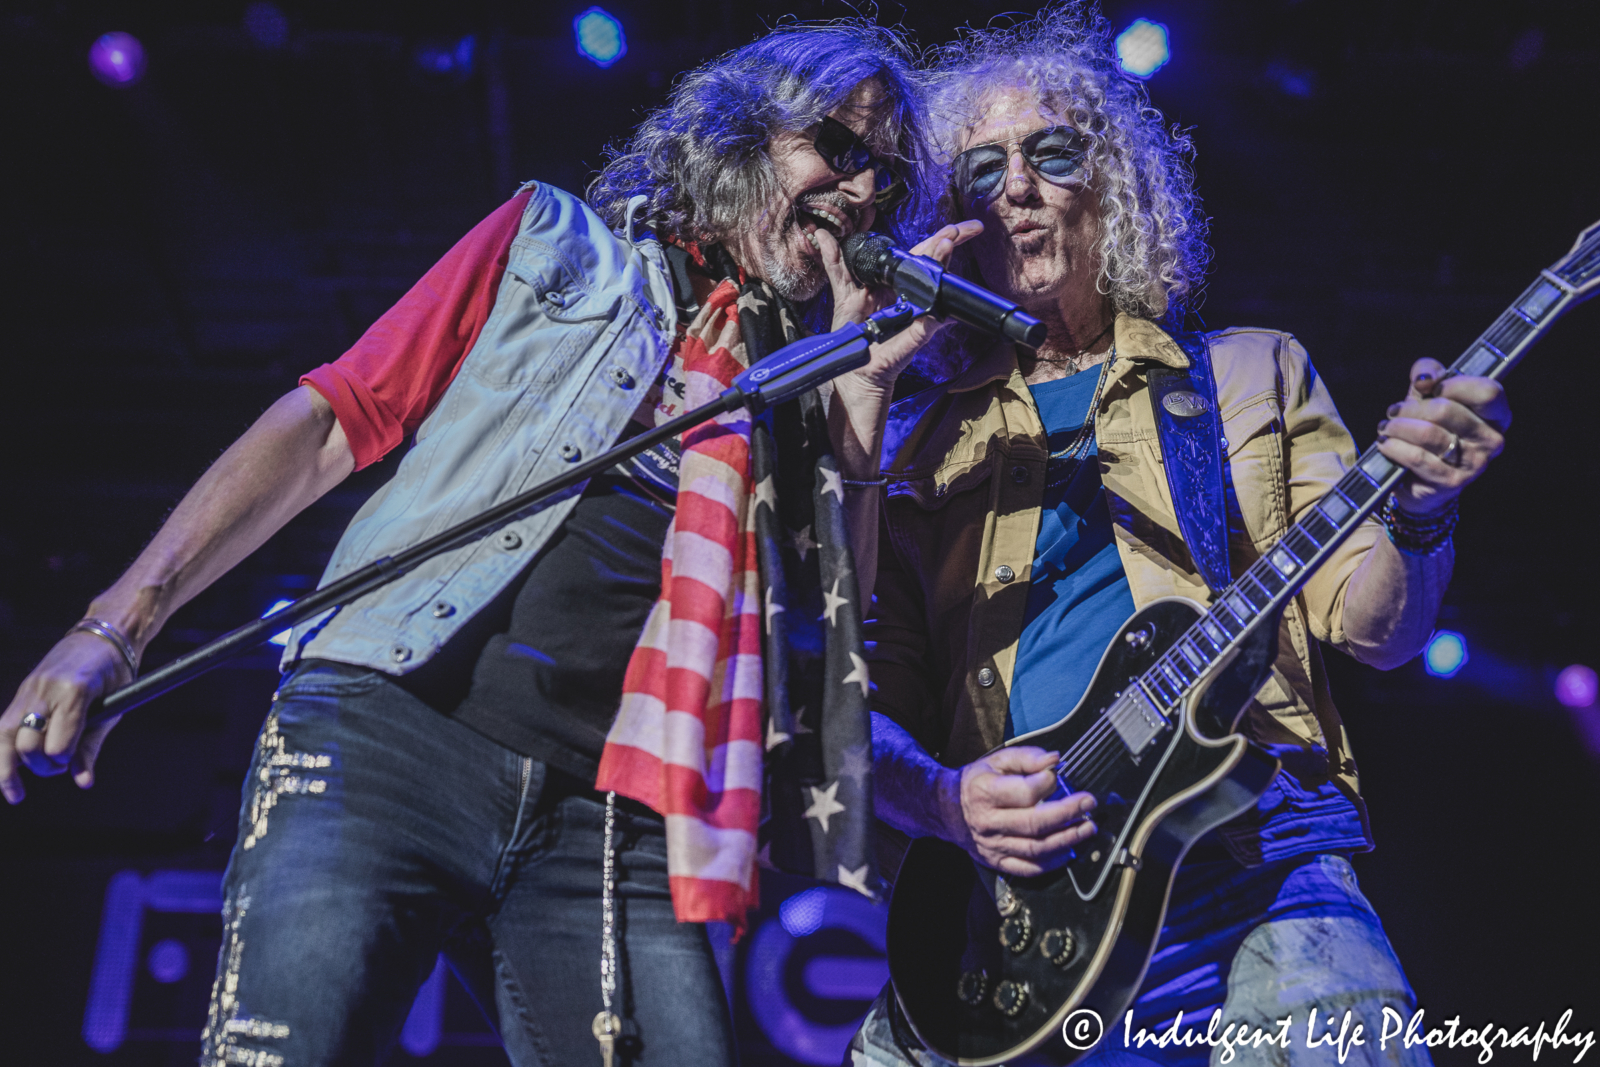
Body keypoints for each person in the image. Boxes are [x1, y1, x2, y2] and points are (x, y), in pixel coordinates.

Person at [0, 23, 971, 1067]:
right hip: (391, 736)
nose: (863, 191)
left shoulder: (804, 384)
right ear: (748, 131)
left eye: (888, 173)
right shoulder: (554, 243)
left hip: (617, 813)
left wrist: (861, 389)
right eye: (841, 145)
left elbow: (827, 648)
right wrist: (116, 625)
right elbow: (332, 422)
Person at [845, 5, 1511, 1065]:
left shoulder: (1251, 370)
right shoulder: (914, 437)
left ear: (1114, 186)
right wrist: (946, 798)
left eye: (1051, 153)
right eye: (981, 166)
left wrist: (1421, 505)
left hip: (1256, 856)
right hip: (1026, 912)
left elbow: (1376, 630)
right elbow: (857, 701)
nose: (1016, 185)